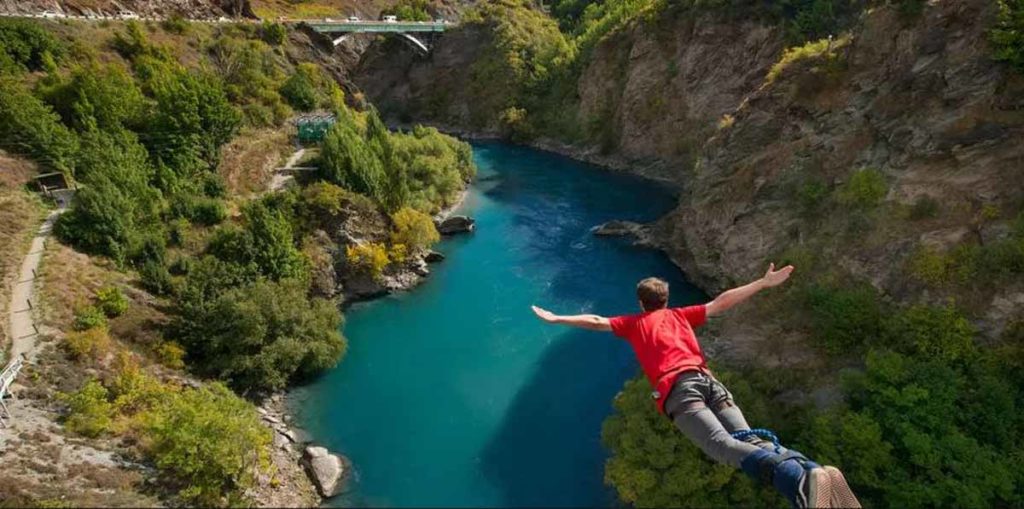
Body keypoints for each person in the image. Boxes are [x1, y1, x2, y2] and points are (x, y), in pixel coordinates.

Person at [530, 263, 860, 509]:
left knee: (720, 446)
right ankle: (811, 469)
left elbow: (598, 321)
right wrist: (763, 282)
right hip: (710, 383)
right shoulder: (680, 315)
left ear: (641, 303)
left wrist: (556, 318)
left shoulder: (635, 323)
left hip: (681, 391)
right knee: (751, 440)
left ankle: (797, 481)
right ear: (665, 299)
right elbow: (722, 302)